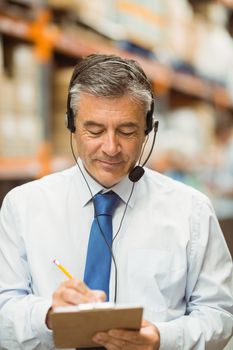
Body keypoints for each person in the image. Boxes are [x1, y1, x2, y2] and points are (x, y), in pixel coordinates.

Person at [0, 53, 232, 350]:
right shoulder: (23, 206)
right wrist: (47, 316)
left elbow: (220, 314)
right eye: (94, 130)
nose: (110, 147)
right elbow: (5, 308)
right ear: (71, 124)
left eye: (127, 131)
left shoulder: (191, 211)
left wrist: (161, 339)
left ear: (148, 129)